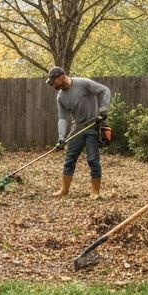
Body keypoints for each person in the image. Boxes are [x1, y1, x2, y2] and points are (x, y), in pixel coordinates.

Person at [45, 66, 110, 199]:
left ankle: (95, 192)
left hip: (92, 126)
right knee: (69, 159)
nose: (52, 85)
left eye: (54, 81)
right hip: (78, 128)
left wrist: (103, 110)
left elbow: (104, 90)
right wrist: (61, 138)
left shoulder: (83, 83)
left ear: (62, 76)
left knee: (93, 160)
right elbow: (62, 118)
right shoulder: (61, 97)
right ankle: (64, 190)